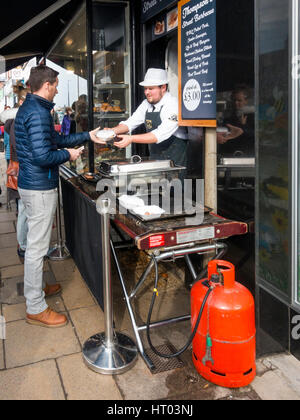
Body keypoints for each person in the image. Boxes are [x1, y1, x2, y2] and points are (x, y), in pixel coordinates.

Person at [15, 65, 100, 328]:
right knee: (37, 247)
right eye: (56, 84)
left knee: (34, 243)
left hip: (32, 184)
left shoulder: (32, 108)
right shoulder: (39, 113)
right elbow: (44, 156)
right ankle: (36, 306)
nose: (58, 89)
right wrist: (70, 155)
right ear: (48, 85)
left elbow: (57, 140)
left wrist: (88, 136)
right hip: (39, 186)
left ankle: (38, 288)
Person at [94, 68, 188, 170]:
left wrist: (131, 138)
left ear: (163, 87)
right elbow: (130, 123)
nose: (147, 92)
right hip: (157, 161)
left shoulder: (173, 105)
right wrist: (112, 131)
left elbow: (159, 134)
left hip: (176, 163)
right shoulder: (146, 104)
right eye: (145, 88)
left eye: (151, 89)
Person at [5, 90, 29, 258]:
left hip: (18, 168)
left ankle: (24, 243)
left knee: (23, 209)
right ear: (21, 102)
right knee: (23, 209)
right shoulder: (17, 122)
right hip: (21, 169)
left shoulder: (13, 121)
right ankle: (23, 245)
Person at [217, 84, 255, 156]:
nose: (236, 103)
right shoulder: (228, 115)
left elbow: (257, 136)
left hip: (248, 154)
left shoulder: (253, 115)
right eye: (234, 100)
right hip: (228, 153)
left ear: (246, 101)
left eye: (239, 100)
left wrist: (243, 126)